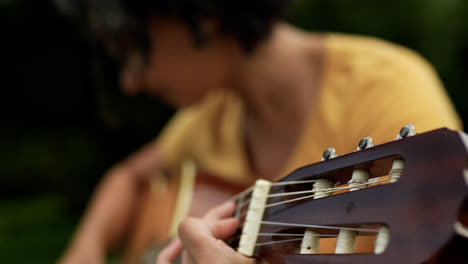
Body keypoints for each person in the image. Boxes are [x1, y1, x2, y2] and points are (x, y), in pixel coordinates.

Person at [59, 0, 463, 263]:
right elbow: (127, 176)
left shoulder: (387, 89)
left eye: (133, 48)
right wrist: (85, 250)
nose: (130, 81)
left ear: (204, 14)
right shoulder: (213, 114)